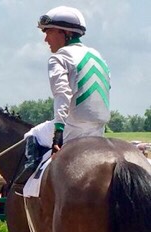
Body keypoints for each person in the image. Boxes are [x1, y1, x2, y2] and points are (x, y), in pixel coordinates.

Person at [15, 6, 111, 185]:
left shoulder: (59, 57)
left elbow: (62, 93)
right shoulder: (98, 56)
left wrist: (58, 131)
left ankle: (25, 187)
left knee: (32, 134)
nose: (45, 39)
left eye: (48, 32)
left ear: (64, 32)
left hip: (72, 127)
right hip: (98, 130)